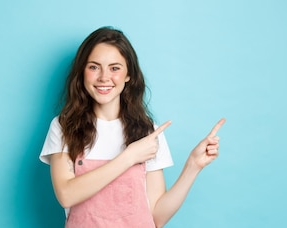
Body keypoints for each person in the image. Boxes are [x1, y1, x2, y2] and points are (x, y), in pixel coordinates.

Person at [39, 26, 225, 228]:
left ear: (129, 75)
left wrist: (193, 166)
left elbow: (156, 217)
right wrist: (129, 157)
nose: (103, 77)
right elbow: (66, 195)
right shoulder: (64, 127)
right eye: (94, 67)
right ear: (82, 72)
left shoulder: (148, 132)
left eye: (115, 68)